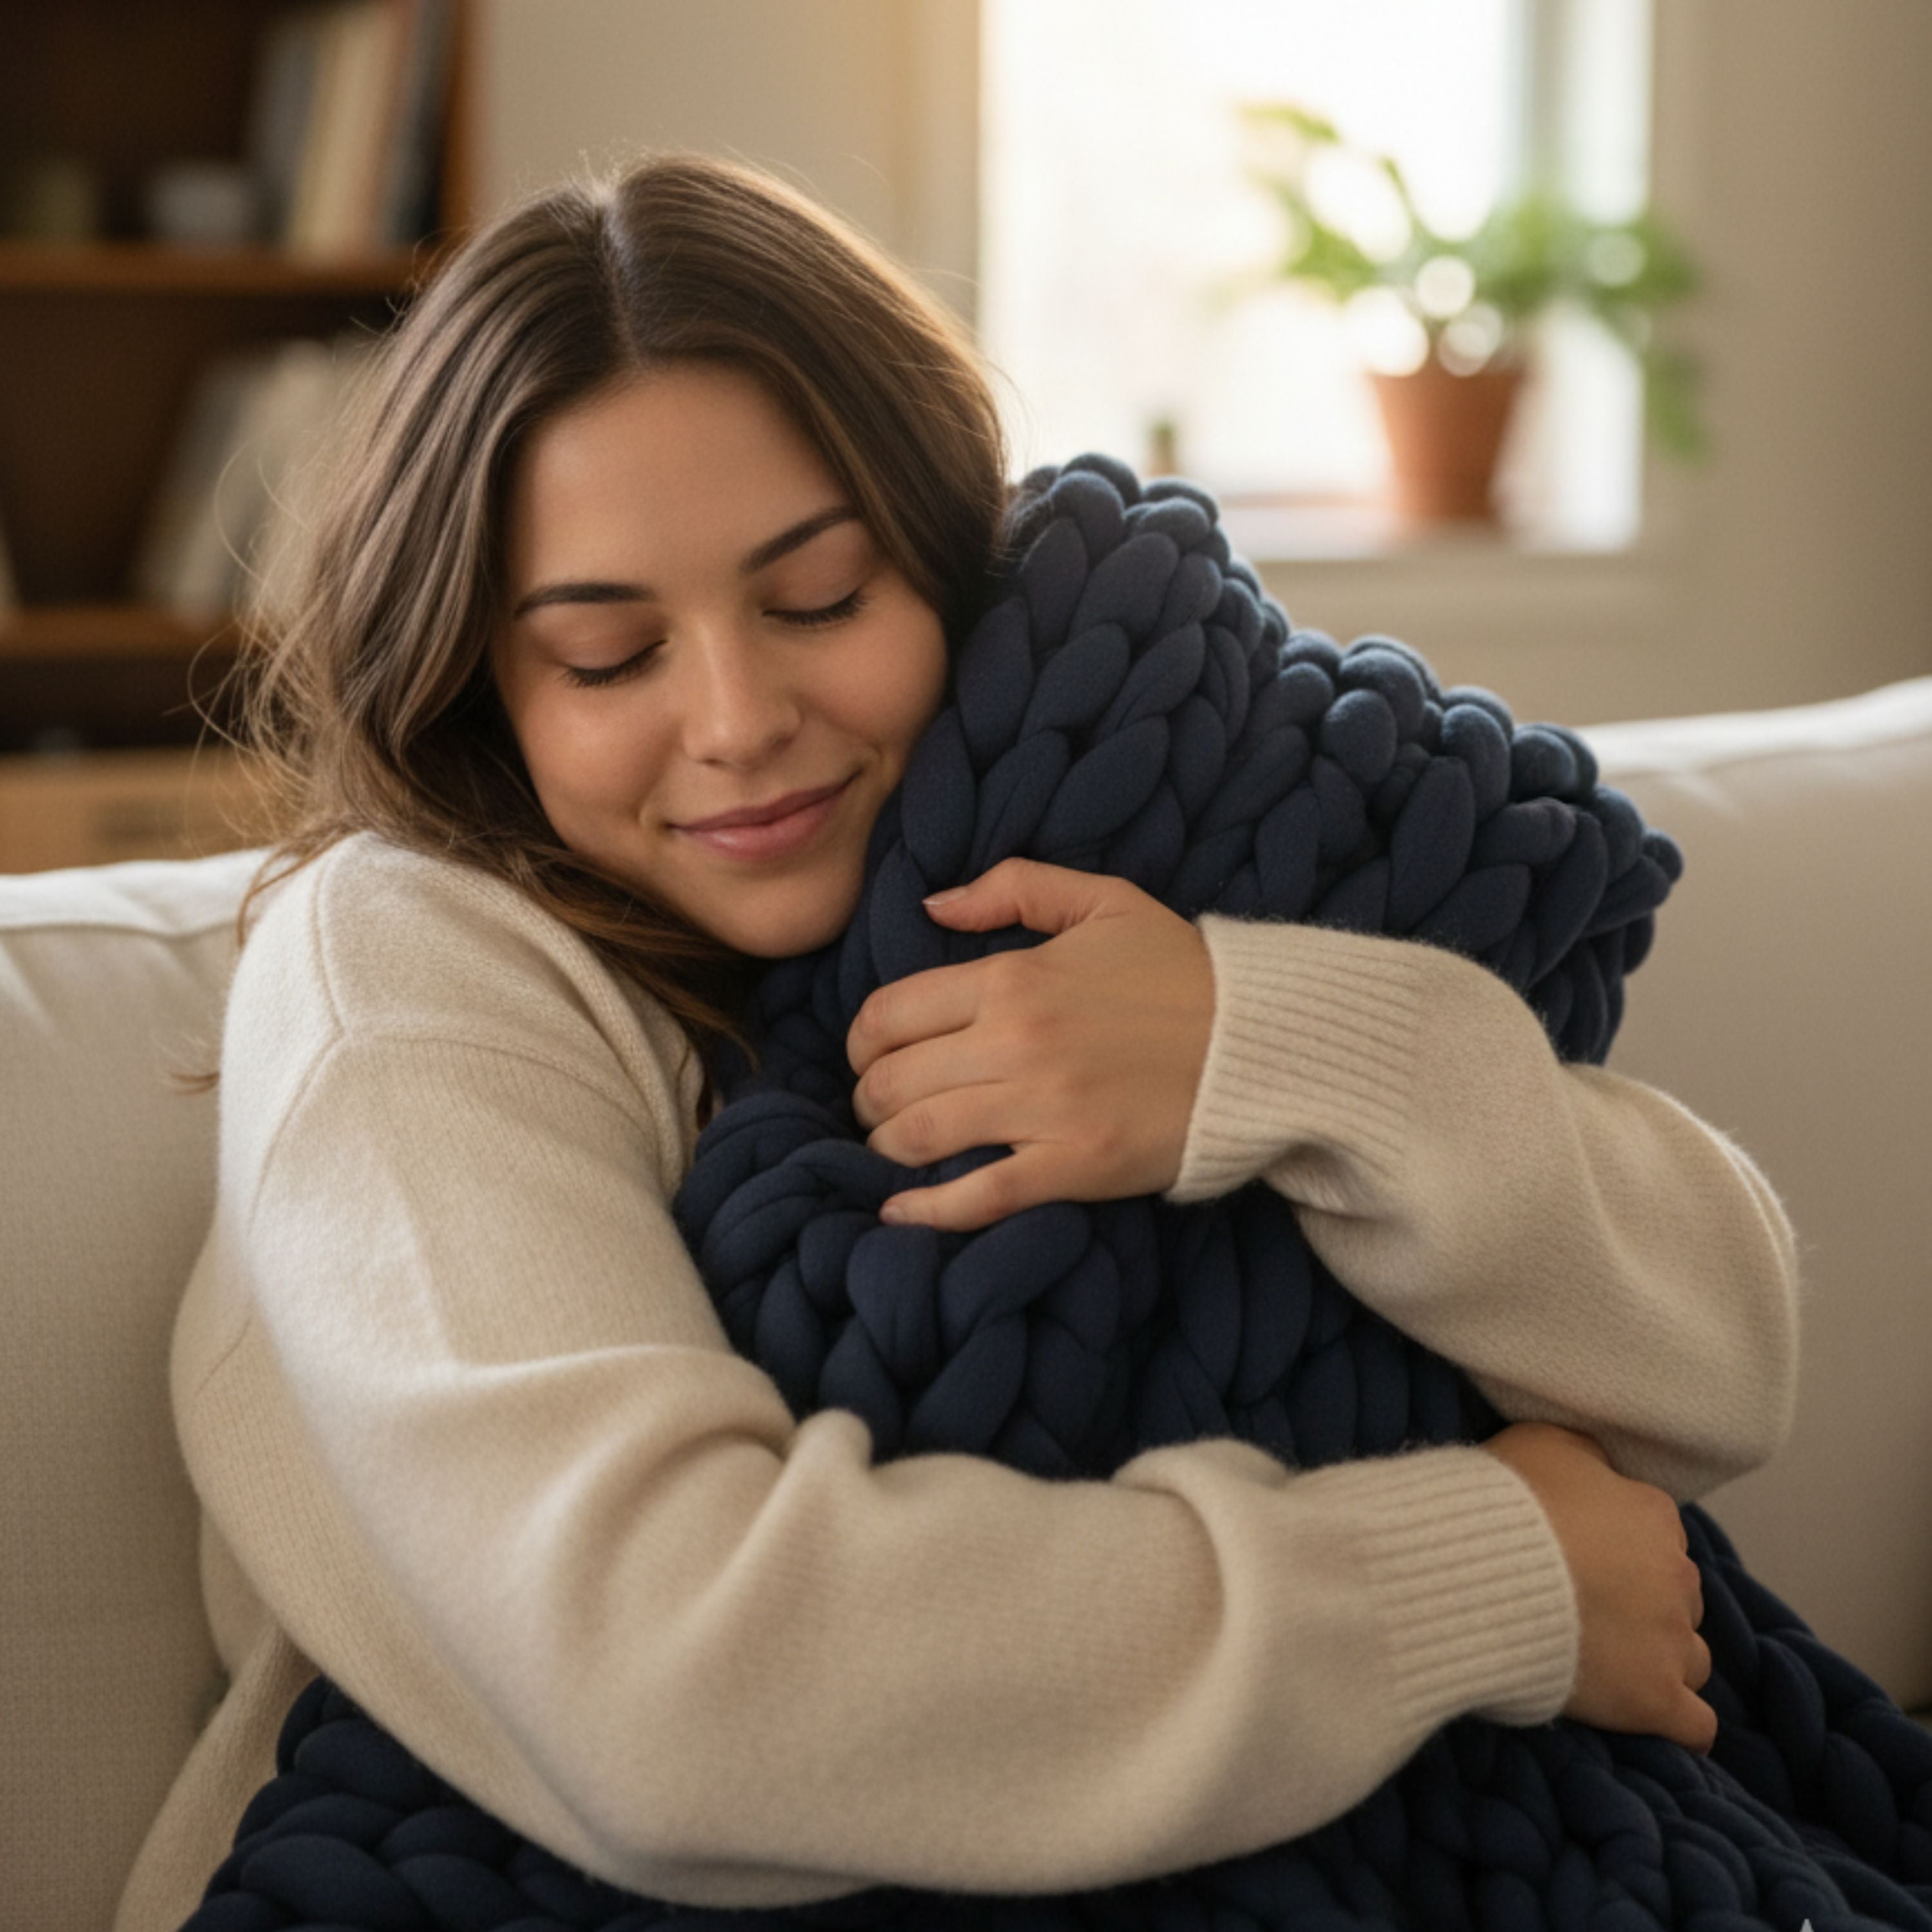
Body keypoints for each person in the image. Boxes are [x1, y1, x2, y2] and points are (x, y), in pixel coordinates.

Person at [115, 154, 1800, 1929]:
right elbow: (688, 1696)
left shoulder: (1076, 825)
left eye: (822, 598)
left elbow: (1717, 1363)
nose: (742, 720)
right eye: (609, 655)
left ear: (946, 563)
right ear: (478, 681)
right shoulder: (411, 968)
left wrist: (1266, 1050)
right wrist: (1478, 1580)